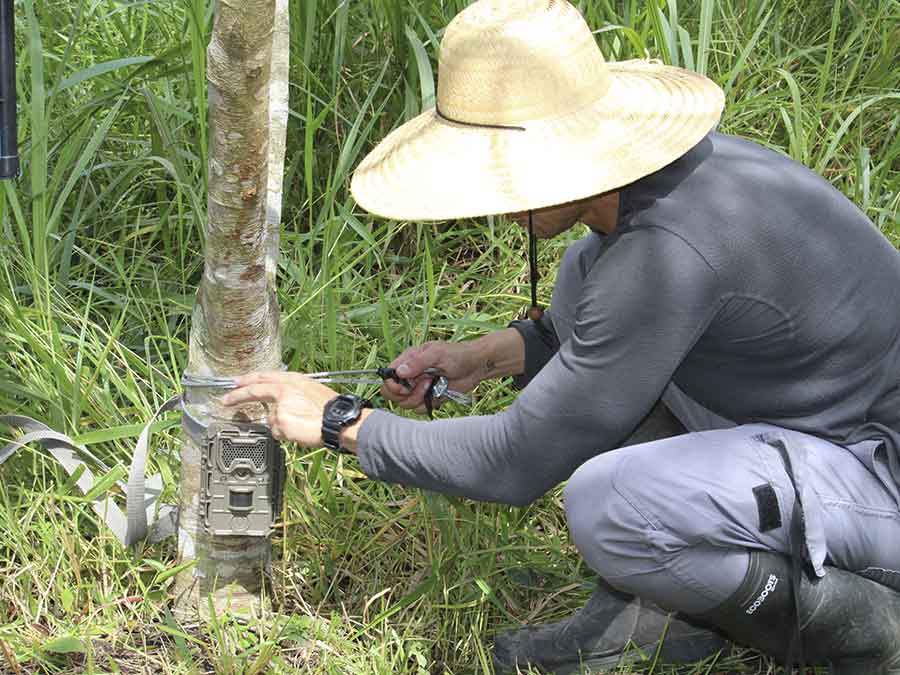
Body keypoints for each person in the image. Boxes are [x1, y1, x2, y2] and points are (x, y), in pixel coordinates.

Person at [222, 1, 900, 673]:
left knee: (613, 504)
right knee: (584, 271)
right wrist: (481, 358)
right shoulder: (664, 191)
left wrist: (342, 422)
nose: (500, 195)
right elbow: (599, 335)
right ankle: (672, 609)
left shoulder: (666, 254)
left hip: (880, 480)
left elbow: (515, 462)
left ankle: (861, 627)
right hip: (817, 426)